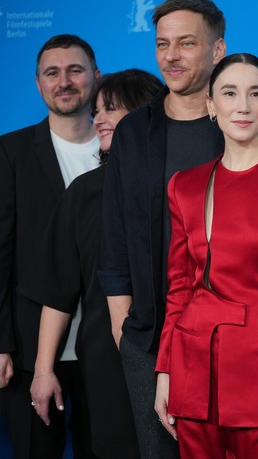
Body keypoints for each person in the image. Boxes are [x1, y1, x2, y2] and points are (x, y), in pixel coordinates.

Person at [98, 0, 258, 459]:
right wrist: (126, 330)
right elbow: (115, 237)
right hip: (152, 342)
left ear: (218, 50)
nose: (171, 55)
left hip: (244, 345)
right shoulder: (133, 133)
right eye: (162, 43)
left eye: (186, 43)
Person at [153, 53, 258, 457]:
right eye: (229, 93)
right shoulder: (185, 186)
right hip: (193, 371)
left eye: (255, 94)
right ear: (211, 105)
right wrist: (165, 370)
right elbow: (179, 288)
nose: (242, 106)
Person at [21, 69, 163, 459]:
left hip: (179, 354)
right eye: (97, 109)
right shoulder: (83, 193)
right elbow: (58, 291)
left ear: (147, 113)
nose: (98, 118)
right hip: (106, 362)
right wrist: (44, 370)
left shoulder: (183, 184)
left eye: (112, 109)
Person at [0, 34, 101, 458]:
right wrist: (1, 340)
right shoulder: (11, 152)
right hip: (28, 348)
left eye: (75, 70)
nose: (64, 81)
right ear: (39, 83)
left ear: (96, 78)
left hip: (105, 347)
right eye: (52, 73)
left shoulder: (125, 147)